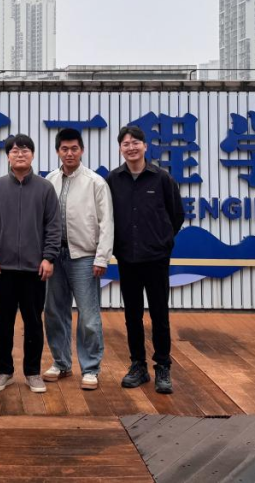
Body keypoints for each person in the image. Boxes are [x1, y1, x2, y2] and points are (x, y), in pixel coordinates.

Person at [107, 125, 185, 395]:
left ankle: (163, 366)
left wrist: (162, 241)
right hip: (127, 258)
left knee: (159, 314)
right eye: (125, 143)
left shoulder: (161, 178)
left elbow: (176, 215)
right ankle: (138, 365)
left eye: (135, 142)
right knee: (132, 315)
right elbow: (107, 216)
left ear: (145, 146)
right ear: (120, 148)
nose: (131, 147)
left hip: (156, 258)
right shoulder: (113, 179)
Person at [0, 134, 62, 394]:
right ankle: (3, 372)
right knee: (4, 322)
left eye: (25, 150)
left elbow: (53, 226)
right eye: (15, 151)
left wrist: (48, 257)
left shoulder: (45, 188)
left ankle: (33, 372)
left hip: (34, 269)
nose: (20, 154)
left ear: (33, 155)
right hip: (2, 268)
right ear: (8, 156)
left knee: (33, 322)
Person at [43, 128, 114, 391]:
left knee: (88, 316)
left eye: (74, 148)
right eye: (64, 149)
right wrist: (44, 255)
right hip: (55, 256)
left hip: (84, 257)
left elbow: (107, 223)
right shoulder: (49, 180)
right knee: (54, 312)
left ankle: (91, 368)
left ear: (81, 150)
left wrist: (102, 257)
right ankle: (61, 363)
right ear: (58, 151)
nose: (69, 153)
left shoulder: (95, 182)